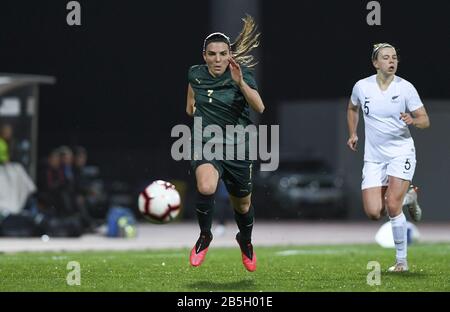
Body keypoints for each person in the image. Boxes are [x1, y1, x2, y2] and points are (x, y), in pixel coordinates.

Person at [186, 15, 265, 272]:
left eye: (222, 54)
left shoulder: (243, 75)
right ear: (204, 55)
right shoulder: (195, 74)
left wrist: (240, 82)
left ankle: (245, 239)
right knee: (206, 186)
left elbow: (259, 107)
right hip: (207, 143)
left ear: (230, 54)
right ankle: (205, 236)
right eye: (212, 54)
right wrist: (200, 115)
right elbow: (190, 107)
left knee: (242, 205)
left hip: (237, 146)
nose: (217, 59)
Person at [347, 43, 430, 272]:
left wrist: (414, 121)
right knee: (374, 212)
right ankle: (409, 197)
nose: (391, 61)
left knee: (392, 206)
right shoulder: (362, 87)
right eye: (386, 57)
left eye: (394, 57)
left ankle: (401, 262)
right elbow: (352, 108)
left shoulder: (405, 88)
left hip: (400, 152)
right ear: (375, 63)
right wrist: (353, 133)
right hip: (374, 157)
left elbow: (425, 120)